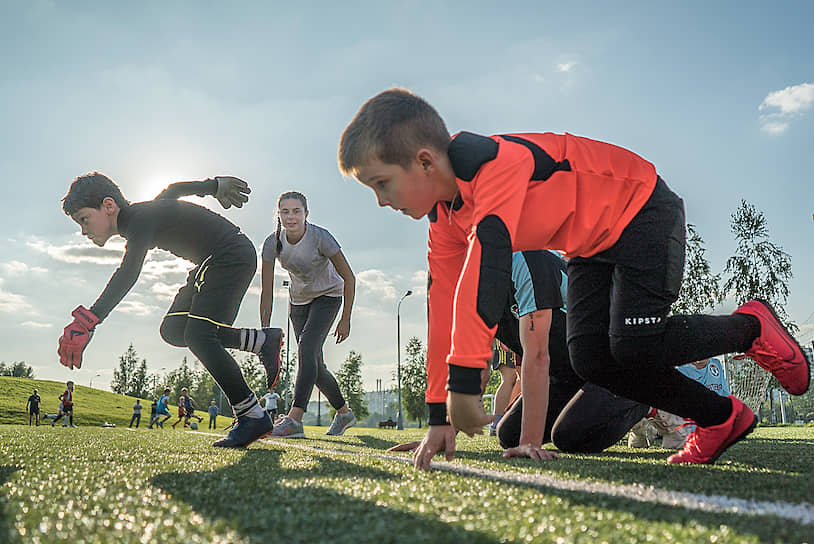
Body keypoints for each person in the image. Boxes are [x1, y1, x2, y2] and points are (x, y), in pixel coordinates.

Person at [338, 88, 811, 465]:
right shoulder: (443, 219)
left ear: (424, 161)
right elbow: (443, 306)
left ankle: (750, 327)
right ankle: (722, 418)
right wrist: (438, 412)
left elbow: (489, 262)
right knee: (590, 358)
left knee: (632, 344)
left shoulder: (493, 164)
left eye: (382, 182)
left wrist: (465, 384)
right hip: (591, 244)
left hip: (643, 209)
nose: (381, 200)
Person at [58, 173, 285, 448]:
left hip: (229, 257)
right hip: (214, 261)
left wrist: (91, 319)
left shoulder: (139, 220)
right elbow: (172, 190)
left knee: (200, 336)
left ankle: (252, 415)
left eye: (84, 219)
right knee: (174, 329)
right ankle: (261, 341)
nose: (84, 231)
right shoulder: (146, 214)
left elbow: (129, 271)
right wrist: (212, 187)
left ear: (108, 206)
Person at [390, 249, 647, 467]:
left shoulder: (523, 259)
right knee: (509, 435)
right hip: (567, 376)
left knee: (570, 436)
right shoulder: (471, 293)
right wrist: (445, 430)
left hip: (612, 364)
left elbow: (536, 354)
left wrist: (531, 442)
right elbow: (475, 368)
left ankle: (651, 399)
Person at [260, 191, 357, 438]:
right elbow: (267, 290)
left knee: (306, 350)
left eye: (296, 211)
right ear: (278, 215)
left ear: (306, 214)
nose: (290, 216)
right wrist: (264, 329)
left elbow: (349, 278)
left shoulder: (321, 238)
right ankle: (344, 414)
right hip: (299, 302)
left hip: (328, 296)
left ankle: (294, 420)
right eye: (285, 211)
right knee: (315, 364)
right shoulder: (273, 243)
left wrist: (345, 318)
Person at [629, 356, 732, 449]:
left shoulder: (715, 365)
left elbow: (724, 395)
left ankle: (651, 427)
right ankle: (647, 426)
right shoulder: (679, 369)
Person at [488, 340, 519, 436]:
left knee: (515, 377)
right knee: (510, 377)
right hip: (504, 339)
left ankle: (503, 420)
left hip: (511, 336)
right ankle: (498, 422)